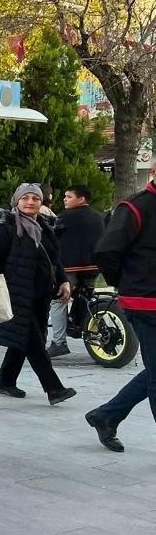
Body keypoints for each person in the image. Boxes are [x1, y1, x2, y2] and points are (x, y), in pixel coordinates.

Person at [85, 168, 156, 452]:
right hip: (143, 303)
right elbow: (106, 252)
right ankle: (107, 415)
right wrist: (127, 283)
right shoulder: (135, 207)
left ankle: (107, 415)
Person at [0, 184, 77, 405]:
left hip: (41, 294)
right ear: (16, 201)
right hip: (16, 295)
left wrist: (64, 280)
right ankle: (54, 389)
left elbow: (54, 259)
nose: (30, 202)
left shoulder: (45, 228)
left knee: (28, 338)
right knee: (35, 343)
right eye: (25, 198)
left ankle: (5, 381)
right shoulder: (7, 229)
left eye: (35, 198)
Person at [48, 184, 106, 357]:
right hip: (94, 267)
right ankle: (81, 326)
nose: (65, 199)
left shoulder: (66, 217)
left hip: (70, 267)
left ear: (81, 198)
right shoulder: (97, 216)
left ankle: (59, 342)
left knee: (58, 300)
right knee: (84, 297)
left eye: (69, 196)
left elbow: (52, 236)